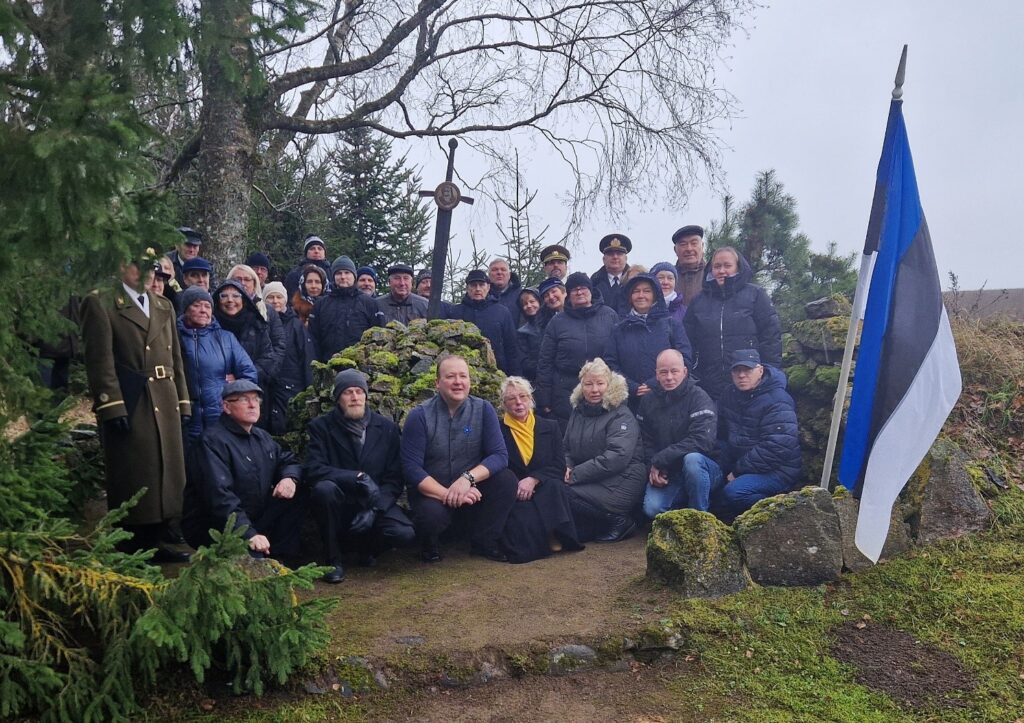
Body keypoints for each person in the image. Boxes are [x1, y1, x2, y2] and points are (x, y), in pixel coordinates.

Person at [79, 259, 192, 561]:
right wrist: (111, 404)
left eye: (151, 269)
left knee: (169, 465)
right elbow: (100, 360)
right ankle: (137, 537)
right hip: (132, 396)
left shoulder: (163, 304)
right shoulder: (101, 302)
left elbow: (176, 360)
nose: (147, 274)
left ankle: (166, 531)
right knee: (137, 467)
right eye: (138, 266)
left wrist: (183, 400)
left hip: (165, 393)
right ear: (120, 267)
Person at [401, 354, 518, 563]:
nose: (458, 382)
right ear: (437, 383)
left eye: (463, 376)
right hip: (433, 493)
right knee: (430, 516)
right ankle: (430, 544)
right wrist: (449, 494)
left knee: (507, 480)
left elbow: (499, 456)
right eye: (451, 376)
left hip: (469, 488)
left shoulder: (483, 409)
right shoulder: (419, 416)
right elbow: (412, 469)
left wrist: (467, 479)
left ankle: (484, 542)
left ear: (469, 382)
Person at [305, 370, 417, 583]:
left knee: (404, 533)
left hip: (374, 502)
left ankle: (368, 550)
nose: (355, 397)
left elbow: (394, 478)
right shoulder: (321, 427)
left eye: (359, 391)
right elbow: (313, 469)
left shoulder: (387, 428)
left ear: (366, 396)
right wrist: (355, 477)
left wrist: (374, 509)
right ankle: (332, 560)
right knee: (323, 490)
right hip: (340, 502)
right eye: (348, 392)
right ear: (338, 398)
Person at [183, 380, 305, 562]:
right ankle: (254, 554)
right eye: (243, 399)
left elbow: (287, 460)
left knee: (299, 491)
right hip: (216, 526)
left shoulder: (261, 437)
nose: (252, 405)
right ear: (226, 407)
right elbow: (219, 497)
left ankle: (281, 558)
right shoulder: (211, 442)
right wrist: (249, 533)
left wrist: (290, 478)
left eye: (256, 399)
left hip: (253, 518)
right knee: (249, 561)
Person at [689, 349, 802, 521]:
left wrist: (737, 471)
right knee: (716, 500)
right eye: (737, 370)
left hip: (778, 470)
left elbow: (777, 446)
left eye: (747, 370)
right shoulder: (729, 394)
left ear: (760, 370)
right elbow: (721, 433)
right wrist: (721, 463)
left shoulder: (778, 399)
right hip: (741, 464)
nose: (742, 375)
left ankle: (785, 514)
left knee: (734, 493)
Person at [497, 377, 583, 562]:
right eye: (512, 398)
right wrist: (519, 485)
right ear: (504, 403)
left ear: (531, 399)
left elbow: (559, 466)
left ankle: (555, 532)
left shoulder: (549, 426)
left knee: (555, 487)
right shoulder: (497, 429)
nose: (518, 402)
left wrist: (534, 479)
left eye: (523, 396)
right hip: (516, 492)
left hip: (544, 486)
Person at [562, 359, 646, 542]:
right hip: (590, 476)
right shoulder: (578, 412)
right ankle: (595, 526)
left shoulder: (621, 414)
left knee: (564, 492)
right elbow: (566, 446)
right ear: (581, 386)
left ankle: (619, 521)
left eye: (600, 383)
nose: (594, 390)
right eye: (588, 384)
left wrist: (574, 475)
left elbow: (616, 457)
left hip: (623, 479)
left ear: (608, 385)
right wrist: (566, 466)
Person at [684, 246, 782, 400]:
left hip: (748, 382)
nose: (722, 271)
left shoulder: (756, 295)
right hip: (708, 386)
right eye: (717, 266)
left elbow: (771, 338)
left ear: (738, 267)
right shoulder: (698, 302)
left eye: (727, 265)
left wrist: (769, 373)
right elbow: (688, 342)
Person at [637, 350, 718, 519]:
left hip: (704, 467)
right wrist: (653, 467)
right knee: (652, 509)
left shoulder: (699, 397)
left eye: (674, 371)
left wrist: (661, 459)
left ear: (684, 372)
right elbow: (644, 440)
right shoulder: (647, 401)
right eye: (663, 372)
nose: (669, 377)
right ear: (656, 374)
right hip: (668, 471)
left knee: (692, 460)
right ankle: (684, 504)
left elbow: (703, 441)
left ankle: (700, 520)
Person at [535, 272, 618, 428]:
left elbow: (619, 354)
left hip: (602, 388)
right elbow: (545, 361)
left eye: (583, 288)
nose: (579, 292)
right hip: (565, 391)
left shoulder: (609, 315)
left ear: (590, 290)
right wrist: (544, 399)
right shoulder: (557, 321)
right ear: (568, 294)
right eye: (574, 290)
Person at [177, 286, 259, 442]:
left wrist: (235, 388)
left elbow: (249, 372)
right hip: (185, 419)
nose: (203, 310)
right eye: (196, 305)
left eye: (207, 306)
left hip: (220, 419)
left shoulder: (226, 338)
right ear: (185, 309)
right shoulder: (173, 336)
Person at [604, 274, 692, 410]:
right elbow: (610, 363)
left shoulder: (671, 325)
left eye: (646, 291)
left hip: (667, 400)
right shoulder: (618, 329)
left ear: (655, 295)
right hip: (630, 402)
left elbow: (684, 359)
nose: (641, 295)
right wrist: (631, 386)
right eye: (635, 291)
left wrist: (655, 384)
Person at [213, 278, 279, 402]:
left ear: (244, 299)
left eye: (236, 296)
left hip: (253, 392)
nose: (230, 300)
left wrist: (242, 378)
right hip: (217, 394)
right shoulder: (210, 326)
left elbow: (267, 359)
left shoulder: (256, 324)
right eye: (224, 296)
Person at [308, 256, 384, 362]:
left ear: (354, 276)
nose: (343, 277)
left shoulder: (369, 303)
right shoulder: (321, 304)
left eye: (347, 273)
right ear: (333, 276)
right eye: (339, 273)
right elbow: (313, 339)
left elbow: (379, 336)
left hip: (361, 367)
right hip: (328, 365)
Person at [263, 281, 314, 434]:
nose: (275, 301)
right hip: (266, 383)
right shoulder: (259, 322)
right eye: (270, 297)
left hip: (291, 385)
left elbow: (307, 357)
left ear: (285, 299)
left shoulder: (295, 325)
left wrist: (309, 387)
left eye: (279, 297)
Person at [450, 270, 520, 376]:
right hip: (463, 373)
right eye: (473, 285)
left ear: (488, 287)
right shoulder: (455, 312)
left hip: (497, 373)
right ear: (467, 288)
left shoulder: (502, 312)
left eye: (481, 285)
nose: (478, 289)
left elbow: (512, 348)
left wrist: (516, 377)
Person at [590, 234, 632, 315]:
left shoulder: (635, 280)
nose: (615, 257)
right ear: (604, 259)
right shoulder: (593, 282)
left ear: (626, 258)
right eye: (610, 254)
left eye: (619, 253)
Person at [283, 235, 332, 299]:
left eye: (320, 248)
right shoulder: (295, 274)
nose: (316, 251)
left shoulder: (332, 272)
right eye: (312, 248)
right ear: (306, 253)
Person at [672, 225, 707, 307]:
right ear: (675, 250)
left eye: (694, 243)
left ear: (702, 246)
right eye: (683, 244)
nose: (689, 249)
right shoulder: (668, 277)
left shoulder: (713, 274)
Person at [515, 287, 544, 382]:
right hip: (537, 377)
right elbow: (524, 361)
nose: (529, 305)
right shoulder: (522, 332)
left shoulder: (553, 322)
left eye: (532, 301)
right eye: (525, 304)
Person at [487, 258, 522, 324]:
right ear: (489, 275)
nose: (499, 272)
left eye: (503, 270)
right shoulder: (483, 297)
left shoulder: (521, 295)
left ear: (509, 275)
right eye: (495, 270)